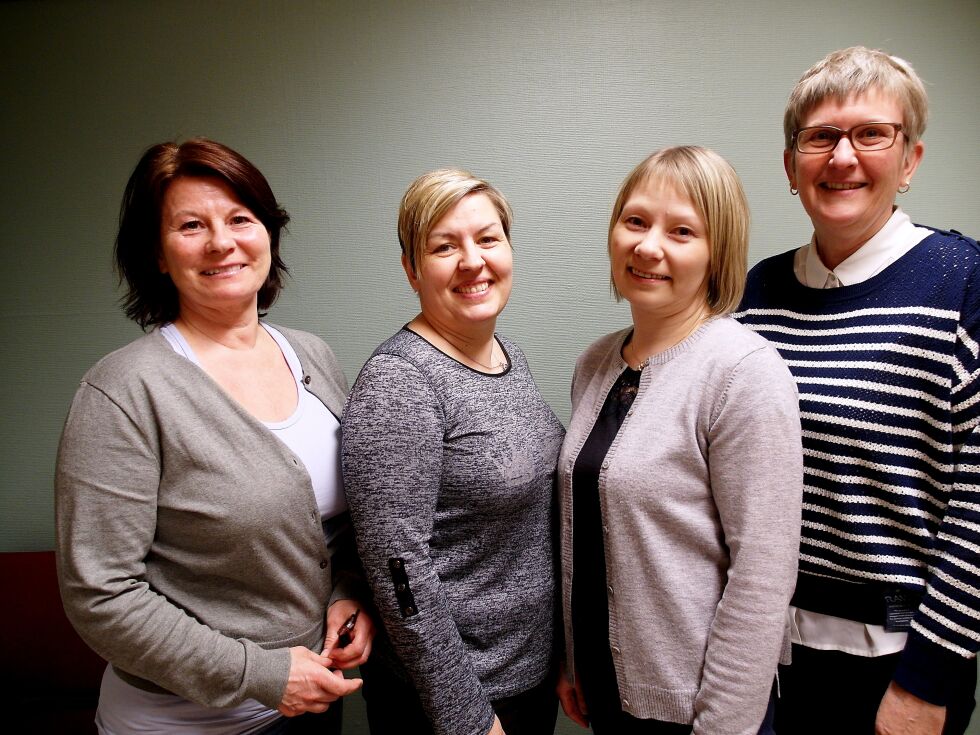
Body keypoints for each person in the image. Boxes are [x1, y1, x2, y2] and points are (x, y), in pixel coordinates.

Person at [55, 138, 374, 734]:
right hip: (183, 722)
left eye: (239, 219)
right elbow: (101, 594)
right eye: (191, 225)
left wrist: (349, 594)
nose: (222, 242)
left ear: (268, 233)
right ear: (157, 253)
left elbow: (337, 524)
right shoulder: (123, 391)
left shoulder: (314, 356)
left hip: (312, 705)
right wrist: (261, 673)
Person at [736, 46, 980, 734]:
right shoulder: (757, 293)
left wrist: (928, 679)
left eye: (871, 133)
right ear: (792, 166)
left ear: (911, 160)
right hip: (767, 659)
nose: (843, 156)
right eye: (820, 137)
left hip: (898, 667)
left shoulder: (964, 281)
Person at [556, 146, 803, 735]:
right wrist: (572, 658)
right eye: (635, 221)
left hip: (697, 709)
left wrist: (724, 725)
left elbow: (762, 576)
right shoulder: (597, 363)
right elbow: (587, 531)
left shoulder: (744, 371)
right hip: (605, 689)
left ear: (717, 253)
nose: (647, 246)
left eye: (682, 231)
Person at [340, 169, 565, 735]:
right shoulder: (400, 383)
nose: (472, 261)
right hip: (452, 704)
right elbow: (399, 570)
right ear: (412, 269)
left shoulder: (506, 355)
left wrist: (561, 657)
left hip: (527, 678)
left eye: (488, 239)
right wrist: (465, 715)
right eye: (444, 246)